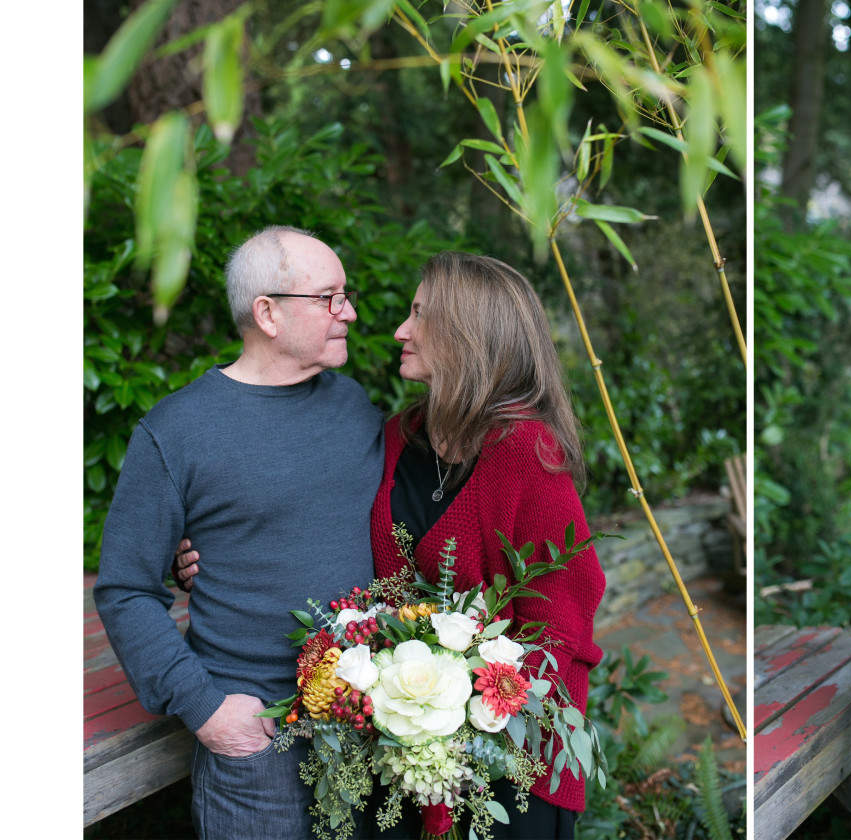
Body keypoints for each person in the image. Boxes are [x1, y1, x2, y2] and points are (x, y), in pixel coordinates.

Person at [95, 226, 384, 838]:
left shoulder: (355, 408)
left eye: (346, 294)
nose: (349, 312)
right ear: (268, 314)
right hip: (257, 740)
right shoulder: (177, 431)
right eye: (329, 297)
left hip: (369, 723)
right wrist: (206, 709)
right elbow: (124, 589)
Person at [370, 251, 606, 837]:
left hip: (513, 764)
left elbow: (561, 625)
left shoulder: (526, 454)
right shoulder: (399, 438)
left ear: (466, 335)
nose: (401, 330)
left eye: (419, 315)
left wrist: (466, 715)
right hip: (405, 751)